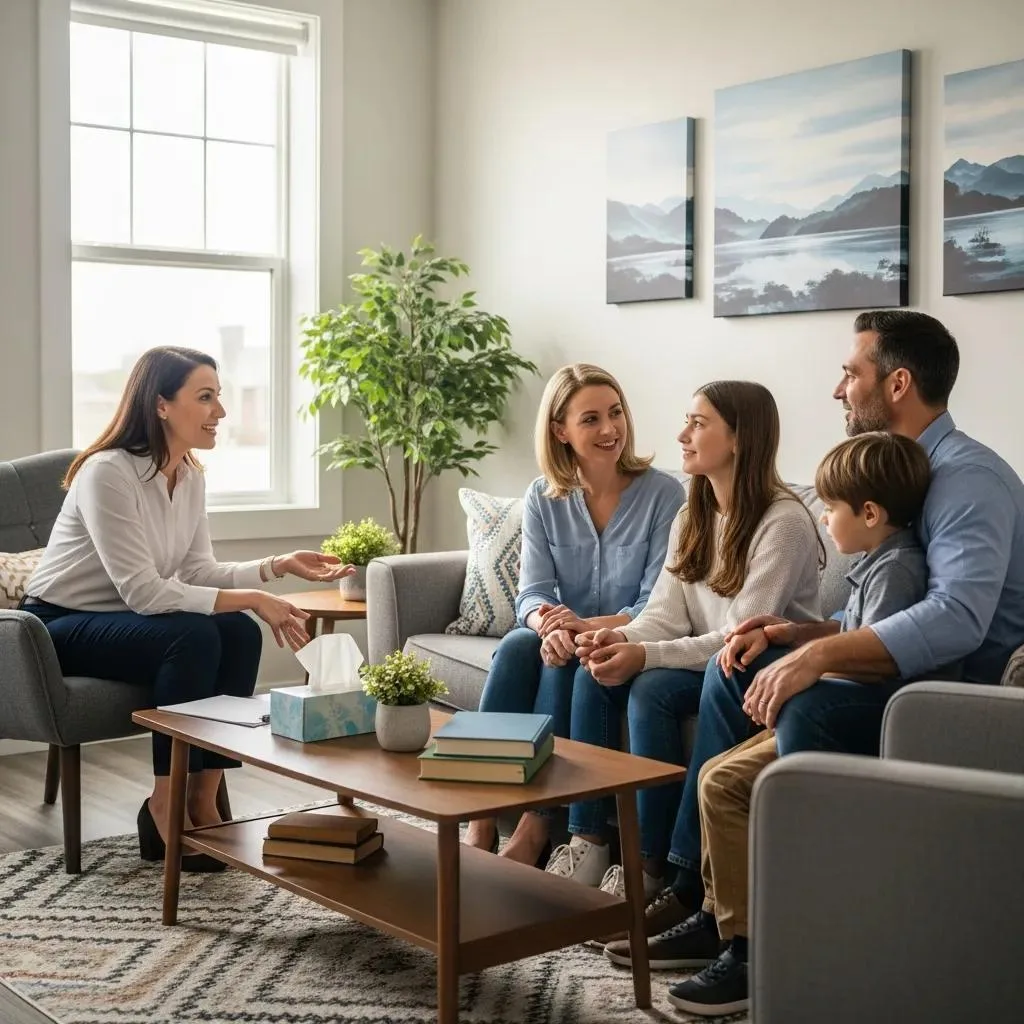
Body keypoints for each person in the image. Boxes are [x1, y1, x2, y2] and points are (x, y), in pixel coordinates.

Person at [609, 309, 1024, 982]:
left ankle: (782, 935)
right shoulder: (904, 471)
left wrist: (818, 656)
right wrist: (798, 635)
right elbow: (888, 607)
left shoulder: (966, 480)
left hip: (949, 699)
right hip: (899, 677)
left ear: (897, 384)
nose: (838, 391)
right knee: (734, 659)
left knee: (804, 706)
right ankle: (702, 893)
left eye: (849, 373)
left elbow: (955, 620)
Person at [22, 347, 354, 870]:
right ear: (160, 405)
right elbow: (145, 593)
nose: (220, 411)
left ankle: (204, 797)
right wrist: (256, 598)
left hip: (124, 620)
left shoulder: (190, 475)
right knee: (195, 635)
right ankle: (165, 802)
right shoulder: (107, 473)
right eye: (205, 397)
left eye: (218, 396)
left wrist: (279, 566)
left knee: (239, 633)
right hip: (55, 625)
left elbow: (196, 571)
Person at [663, 430, 931, 1017]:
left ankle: (750, 950)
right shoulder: (875, 562)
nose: (824, 518)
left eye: (831, 508)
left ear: (869, 513)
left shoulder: (898, 570)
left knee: (724, 782)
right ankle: (727, 927)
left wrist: (804, 670)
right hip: (832, 705)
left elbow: (877, 657)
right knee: (716, 777)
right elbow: (848, 627)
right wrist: (792, 635)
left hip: (859, 722)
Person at [546, 381, 823, 907]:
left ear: (740, 438)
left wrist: (643, 654)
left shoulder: (783, 522)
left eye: (699, 423)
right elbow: (664, 617)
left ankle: (655, 865)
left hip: (753, 670)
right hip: (704, 661)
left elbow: (738, 637)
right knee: (594, 669)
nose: (682, 434)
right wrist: (618, 638)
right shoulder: (692, 515)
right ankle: (588, 840)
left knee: (649, 688)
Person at [463, 363, 684, 864]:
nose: (610, 429)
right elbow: (532, 593)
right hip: (562, 639)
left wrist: (583, 628)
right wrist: (547, 624)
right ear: (560, 430)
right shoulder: (543, 496)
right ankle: (479, 817)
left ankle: (538, 824)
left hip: (626, 640)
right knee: (524, 644)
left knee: (565, 656)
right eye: (591, 419)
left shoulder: (665, 495)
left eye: (615, 413)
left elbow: (657, 603)